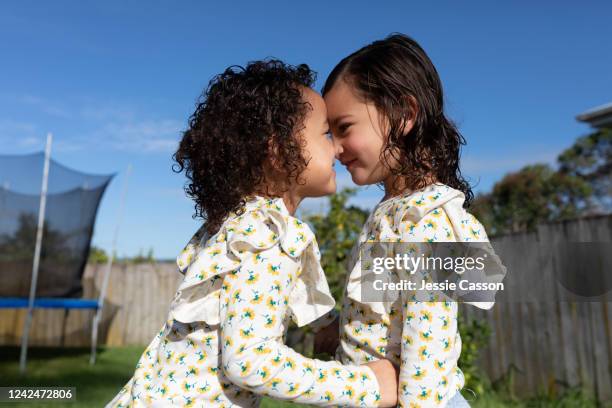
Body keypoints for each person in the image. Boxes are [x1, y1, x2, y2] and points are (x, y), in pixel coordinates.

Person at [105, 59, 398, 407]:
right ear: (278, 151)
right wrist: (366, 386)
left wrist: (325, 323)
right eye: (325, 134)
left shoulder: (241, 226)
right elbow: (250, 362)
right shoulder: (264, 235)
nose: (337, 147)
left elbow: (262, 289)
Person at [319, 33, 506, 407]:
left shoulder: (427, 221)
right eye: (330, 132)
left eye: (344, 127)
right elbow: (384, 307)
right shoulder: (395, 212)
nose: (335, 147)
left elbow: (428, 346)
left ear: (404, 115)